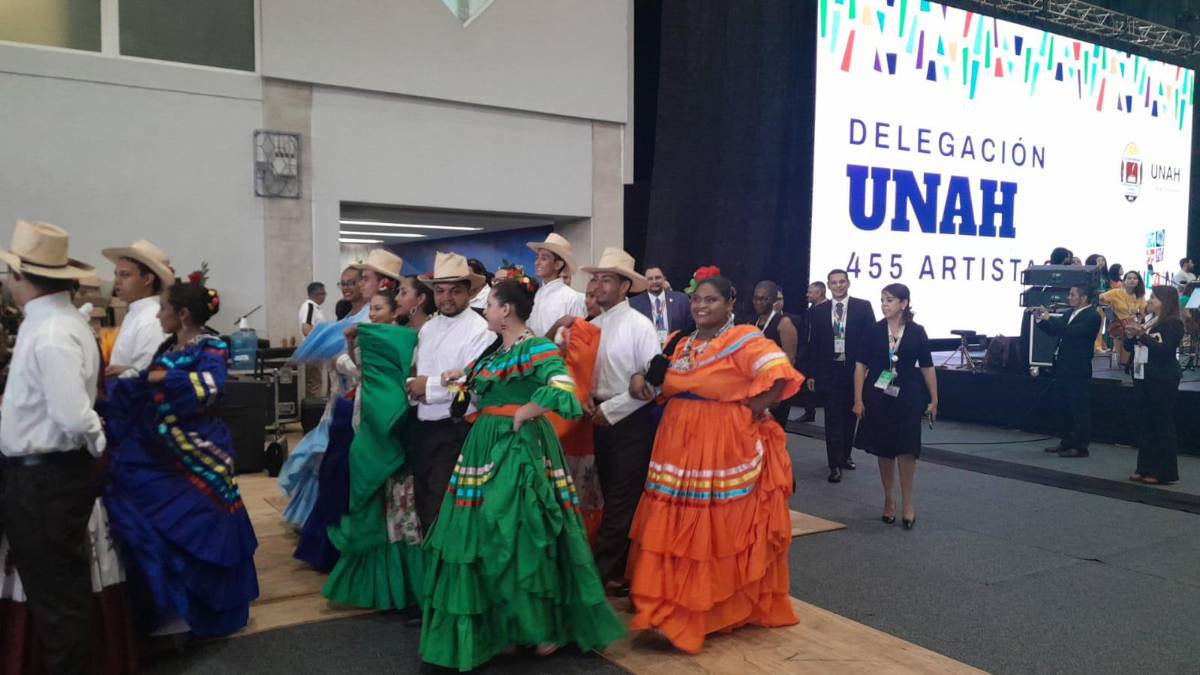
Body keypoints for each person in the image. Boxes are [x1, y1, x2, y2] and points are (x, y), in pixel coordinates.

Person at [419, 280, 625, 669]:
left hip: (519, 449)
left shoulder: (536, 347)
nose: (486, 312)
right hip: (483, 445)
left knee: (521, 529)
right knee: (486, 534)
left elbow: (564, 390)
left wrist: (525, 412)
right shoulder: (495, 351)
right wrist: (455, 377)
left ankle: (538, 625)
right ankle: (506, 626)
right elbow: (478, 388)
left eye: (490, 305)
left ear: (507, 310)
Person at [624, 275, 802, 653]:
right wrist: (642, 379)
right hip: (676, 439)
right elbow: (660, 382)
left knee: (709, 526)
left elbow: (780, 373)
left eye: (710, 300)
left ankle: (706, 610)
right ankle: (667, 604)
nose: (701, 306)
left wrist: (752, 407)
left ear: (729, 303)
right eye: (696, 301)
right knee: (673, 524)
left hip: (718, 442)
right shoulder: (682, 341)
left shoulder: (743, 339)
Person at [103, 272, 260, 638]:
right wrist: (134, 375)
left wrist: (160, 380)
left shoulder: (211, 347)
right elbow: (155, 380)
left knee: (201, 523)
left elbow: (210, 387)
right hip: (164, 452)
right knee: (154, 517)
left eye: (163, 309)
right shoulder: (169, 348)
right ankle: (175, 611)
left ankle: (205, 610)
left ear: (184, 315)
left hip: (199, 453)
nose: (158, 316)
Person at [0, 221, 106, 673]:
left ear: (24, 278)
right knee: (55, 587)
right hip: (44, 472)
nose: (5, 280)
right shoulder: (54, 323)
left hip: (45, 475)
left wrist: (95, 439)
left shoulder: (50, 332)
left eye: (9, 272)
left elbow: (70, 413)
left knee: (56, 593)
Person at [293, 249, 403, 570]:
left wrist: (341, 356)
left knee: (348, 479)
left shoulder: (381, 320)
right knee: (335, 475)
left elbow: (371, 369)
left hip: (367, 408)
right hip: (349, 404)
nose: (358, 285)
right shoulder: (362, 316)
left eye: (365, 279)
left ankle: (348, 554)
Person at [582, 247, 661, 592]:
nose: (598, 286)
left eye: (607, 280)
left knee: (621, 497)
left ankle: (602, 574)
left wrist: (610, 411)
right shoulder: (590, 325)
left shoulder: (640, 326)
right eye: (596, 279)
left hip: (629, 422)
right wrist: (583, 396)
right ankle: (617, 570)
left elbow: (654, 382)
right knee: (603, 493)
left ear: (625, 286)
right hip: (593, 418)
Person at [407, 252, 496, 532]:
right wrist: (413, 387)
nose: (446, 298)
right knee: (422, 501)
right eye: (440, 291)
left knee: (442, 506)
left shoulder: (481, 331)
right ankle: (431, 569)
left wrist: (427, 386)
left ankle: (445, 570)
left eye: (455, 291)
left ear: (470, 292)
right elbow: (416, 371)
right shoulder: (428, 328)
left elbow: (474, 384)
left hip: (456, 430)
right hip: (421, 427)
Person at [852, 284, 937, 529]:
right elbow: (860, 366)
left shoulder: (917, 331)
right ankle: (889, 498)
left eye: (889, 300)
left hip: (908, 395)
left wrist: (934, 399)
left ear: (904, 303)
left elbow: (927, 366)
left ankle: (908, 503)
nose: (884, 305)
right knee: (884, 448)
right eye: (882, 300)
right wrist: (858, 399)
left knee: (907, 449)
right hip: (878, 395)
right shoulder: (873, 330)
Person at [806, 269, 876, 483]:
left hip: (854, 370)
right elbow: (814, 344)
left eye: (841, 282)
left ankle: (845, 455)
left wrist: (868, 367)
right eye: (834, 283)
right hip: (829, 371)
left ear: (848, 283)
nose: (838, 286)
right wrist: (811, 373)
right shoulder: (818, 311)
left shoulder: (863, 307)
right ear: (828, 285)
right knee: (832, 419)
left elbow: (871, 338)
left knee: (850, 416)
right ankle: (834, 464)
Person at [1125, 286, 1184, 485]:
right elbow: (1130, 346)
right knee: (1146, 422)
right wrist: (1131, 334)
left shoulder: (1173, 323)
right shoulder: (1149, 319)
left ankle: (1164, 471)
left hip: (1163, 377)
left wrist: (1141, 335)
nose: (1149, 300)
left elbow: (1165, 350)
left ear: (1164, 301)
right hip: (1144, 375)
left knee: (1161, 423)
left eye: (1153, 297)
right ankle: (1144, 467)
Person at [1037, 284, 1103, 458]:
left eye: (1072, 295)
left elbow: (1072, 332)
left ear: (1083, 298)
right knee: (1062, 405)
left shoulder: (1092, 316)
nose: (1069, 298)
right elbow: (1053, 330)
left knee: (1079, 407)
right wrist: (1041, 319)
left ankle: (1080, 446)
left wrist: (1049, 317)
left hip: (1078, 366)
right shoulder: (1069, 313)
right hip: (1063, 364)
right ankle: (1065, 441)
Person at [102, 239, 173, 378]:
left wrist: (124, 373)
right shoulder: (138, 312)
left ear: (147, 279)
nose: (117, 281)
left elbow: (148, 373)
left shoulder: (152, 318)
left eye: (125, 275)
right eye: (116, 274)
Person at [748, 280, 800, 426]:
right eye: (756, 298)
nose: (759, 302)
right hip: (754, 386)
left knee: (773, 432)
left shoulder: (784, 323)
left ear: (773, 301)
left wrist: (777, 394)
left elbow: (789, 361)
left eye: (764, 299)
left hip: (775, 388)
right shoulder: (750, 322)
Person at [526, 233, 586, 336]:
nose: (537, 263)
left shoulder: (571, 298)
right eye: (537, 258)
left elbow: (578, 336)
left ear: (558, 264)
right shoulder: (537, 295)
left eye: (544, 258)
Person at [630, 265, 694, 343]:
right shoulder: (634, 304)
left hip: (675, 350)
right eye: (650, 279)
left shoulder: (681, 299)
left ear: (664, 279)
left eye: (658, 278)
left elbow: (691, 327)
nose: (654, 281)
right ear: (644, 281)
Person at [1101, 270, 1148, 367]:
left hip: (1133, 323)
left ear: (1138, 281)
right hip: (1118, 323)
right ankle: (1124, 361)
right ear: (1124, 281)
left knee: (1142, 333)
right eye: (1129, 278)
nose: (1132, 280)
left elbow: (1143, 313)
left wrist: (1141, 322)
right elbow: (1099, 299)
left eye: (1135, 278)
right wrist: (1108, 307)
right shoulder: (1115, 292)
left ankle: (1137, 364)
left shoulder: (1140, 295)